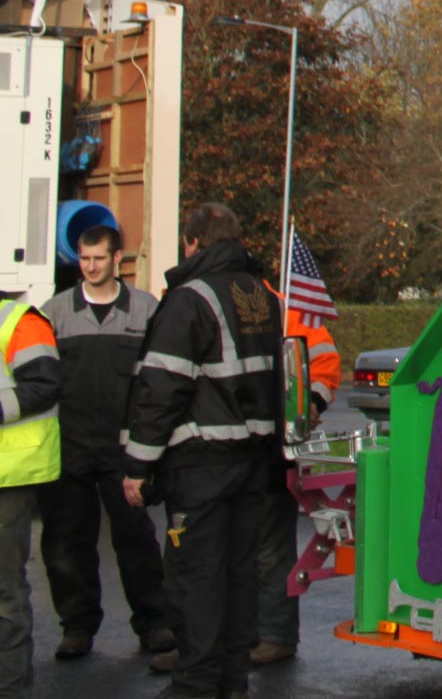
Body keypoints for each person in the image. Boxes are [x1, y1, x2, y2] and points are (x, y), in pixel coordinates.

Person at [122, 204, 280, 699]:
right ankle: (231, 681)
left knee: (196, 578)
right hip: (252, 460)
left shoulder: (189, 299)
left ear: (192, 242)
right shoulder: (262, 295)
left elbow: (162, 388)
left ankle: (195, 683)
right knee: (239, 575)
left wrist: (137, 465)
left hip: (201, 464)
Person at [38, 224, 173, 660]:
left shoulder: (145, 310)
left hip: (126, 449)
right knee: (67, 541)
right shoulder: (54, 312)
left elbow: (157, 380)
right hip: (70, 446)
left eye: (99, 258)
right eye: (84, 258)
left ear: (118, 259)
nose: (91, 267)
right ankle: (76, 627)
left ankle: (154, 624)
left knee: (136, 540)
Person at [251, 285, 338, 668]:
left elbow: (325, 363)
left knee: (270, 549)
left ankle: (274, 635)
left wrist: (310, 404)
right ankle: (258, 634)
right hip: (243, 449)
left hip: (269, 450)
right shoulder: (282, 306)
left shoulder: (287, 309)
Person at [0, 288, 61, 699]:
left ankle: (10, 688)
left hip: (8, 478)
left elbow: (44, 384)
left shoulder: (17, 320)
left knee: (3, 594)